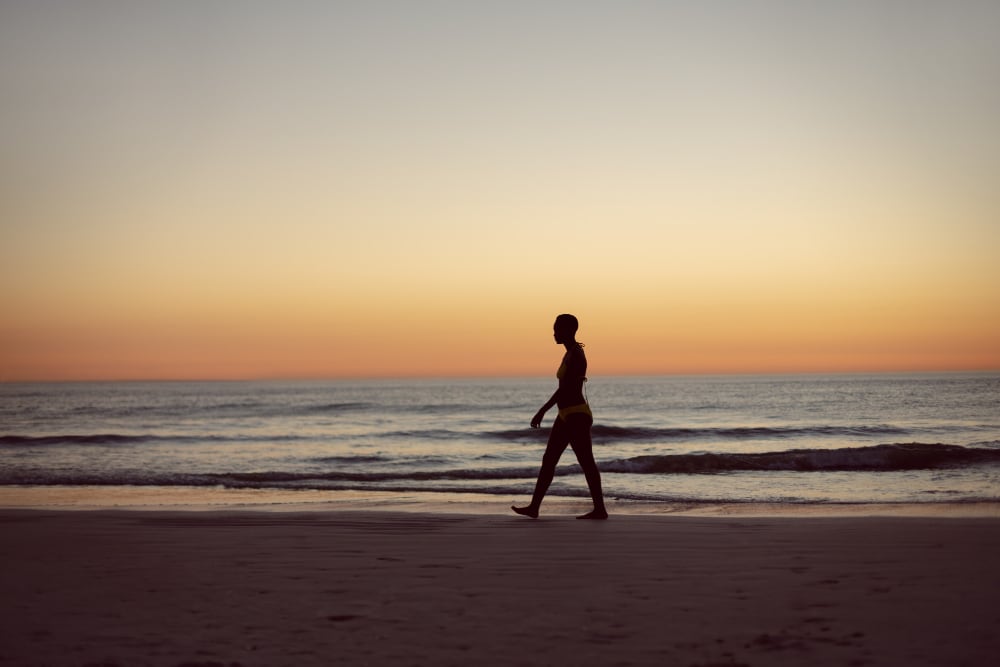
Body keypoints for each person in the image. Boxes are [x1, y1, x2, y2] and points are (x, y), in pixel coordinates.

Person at [513, 314, 608, 520]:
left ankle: (600, 510)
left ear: (567, 330)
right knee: (549, 460)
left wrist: (542, 410)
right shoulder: (569, 353)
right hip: (566, 415)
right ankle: (534, 507)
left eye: (556, 329)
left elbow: (565, 390)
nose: (554, 333)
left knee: (586, 462)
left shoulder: (576, 355)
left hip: (576, 415)